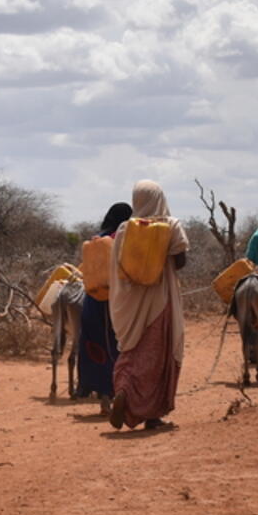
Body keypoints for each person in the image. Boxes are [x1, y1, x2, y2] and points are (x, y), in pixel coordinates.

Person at [108, 181, 189, 431]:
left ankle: (123, 388)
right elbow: (180, 262)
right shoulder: (171, 226)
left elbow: (117, 266)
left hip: (130, 303)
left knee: (132, 350)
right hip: (160, 299)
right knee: (157, 353)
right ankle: (153, 415)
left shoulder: (123, 229)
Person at [75, 201, 132, 409]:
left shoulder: (96, 239)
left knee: (95, 345)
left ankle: (98, 392)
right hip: (113, 301)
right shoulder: (122, 239)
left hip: (91, 301)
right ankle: (116, 392)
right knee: (115, 346)